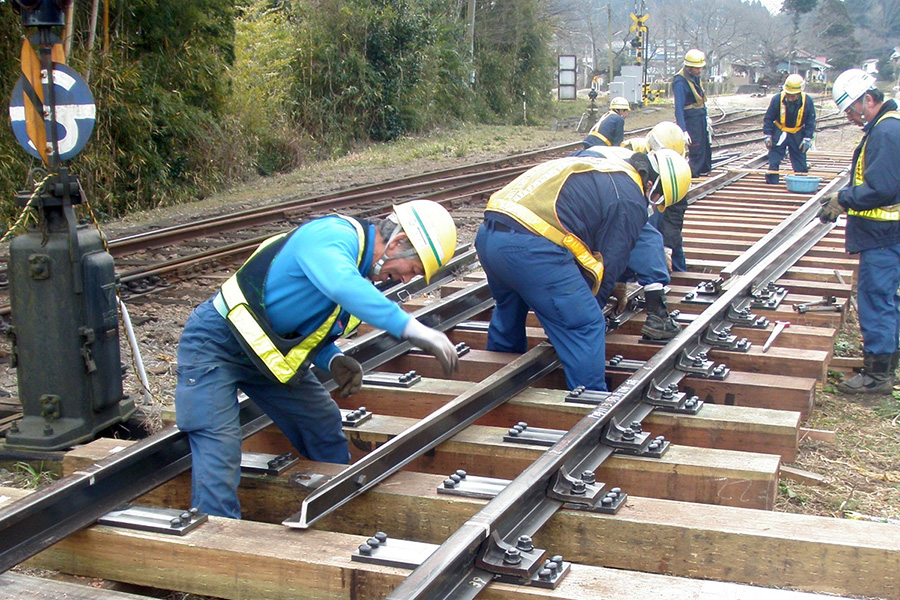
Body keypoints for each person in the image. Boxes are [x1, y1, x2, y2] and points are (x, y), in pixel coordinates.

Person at [175, 200, 460, 518]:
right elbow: (340, 284)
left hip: (267, 357)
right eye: (415, 270)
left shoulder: (358, 279)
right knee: (220, 450)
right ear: (399, 243)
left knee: (323, 422)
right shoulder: (333, 236)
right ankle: (218, 541)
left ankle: (339, 509)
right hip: (215, 345)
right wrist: (410, 327)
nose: (407, 280)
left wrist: (333, 359)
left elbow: (308, 330)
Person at [474, 149, 692, 392]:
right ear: (652, 184)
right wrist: (584, 311)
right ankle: (589, 405)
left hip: (489, 237)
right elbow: (607, 265)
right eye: (658, 198)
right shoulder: (630, 196)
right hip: (529, 249)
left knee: (509, 308)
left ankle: (497, 384)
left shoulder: (602, 166)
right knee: (586, 325)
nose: (654, 204)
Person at [818, 68, 900, 394]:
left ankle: (877, 377)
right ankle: (886, 366)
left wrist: (844, 199)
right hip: (885, 234)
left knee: (876, 300)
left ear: (868, 99)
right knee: (885, 300)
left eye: (851, 110)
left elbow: (881, 187)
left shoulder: (887, 132)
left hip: (883, 235)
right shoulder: (885, 127)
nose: (850, 117)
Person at [575, 120, 690, 340]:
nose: (655, 204)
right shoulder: (632, 172)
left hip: (581, 184)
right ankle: (658, 314)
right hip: (593, 179)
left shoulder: (640, 159)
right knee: (647, 239)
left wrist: (619, 281)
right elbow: (621, 247)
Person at [763, 74, 817, 184]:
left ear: (799, 93)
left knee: (799, 159)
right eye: (788, 95)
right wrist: (768, 135)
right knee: (774, 158)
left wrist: (807, 138)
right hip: (779, 131)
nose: (790, 98)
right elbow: (768, 118)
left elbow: (810, 122)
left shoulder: (807, 101)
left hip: (797, 133)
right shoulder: (777, 99)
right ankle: (772, 182)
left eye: (793, 96)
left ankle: (801, 181)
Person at [673, 49, 712, 177]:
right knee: (696, 146)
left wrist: (706, 117)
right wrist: (683, 129)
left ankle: (704, 168)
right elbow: (678, 107)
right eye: (697, 68)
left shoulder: (695, 77)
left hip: (699, 116)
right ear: (689, 67)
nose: (699, 70)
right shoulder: (680, 82)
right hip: (691, 119)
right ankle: (693, 173)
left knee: (705, 144)